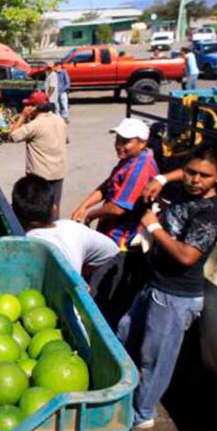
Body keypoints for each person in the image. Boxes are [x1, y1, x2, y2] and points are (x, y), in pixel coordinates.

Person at [117, 145, 217, 430]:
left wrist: (154, 227)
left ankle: (142, 414)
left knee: (155, 359)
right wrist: (163, 179)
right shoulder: (187, 188)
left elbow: (187, 256)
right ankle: (121, 393)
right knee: (126, 332)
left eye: (204, 176)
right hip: (156, 285)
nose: (194, 179)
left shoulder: (212, 214)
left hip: (176, 297)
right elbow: (184, 171)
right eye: (190, 172)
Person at [71, 118, 159, 326]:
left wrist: (91, 215)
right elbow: (107, 185)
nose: (120, 144)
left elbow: (118, 208)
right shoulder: (129, 161)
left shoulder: (141, 168)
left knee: (101, 297)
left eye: (126, 141)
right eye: (118, 139)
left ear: (142, 143)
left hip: (120, 245)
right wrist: (83, 206)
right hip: (108, 237)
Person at [12, 174, 119, 274]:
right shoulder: (71, 226)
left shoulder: (28, 244)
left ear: (15, 214)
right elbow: (111, 250)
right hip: (80, 283)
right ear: (54, 209)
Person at [7, 91, 68, 217]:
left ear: (34, 107)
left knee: (39, 212)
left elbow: (12, 136)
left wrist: (23, 117)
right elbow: (66, 139)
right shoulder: (59, 120)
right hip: (58, 172)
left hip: (39, 176)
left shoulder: (35, 125)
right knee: (54, 210)